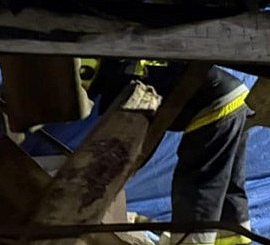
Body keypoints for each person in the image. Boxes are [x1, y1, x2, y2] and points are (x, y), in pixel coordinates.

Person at [81, 59, 253, 245]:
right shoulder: (132, 64)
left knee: (200, 183)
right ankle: (237, 241)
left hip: (218, 101)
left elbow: (140, 141)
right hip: (238, 96)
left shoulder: (125, 82)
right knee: (227, 184)